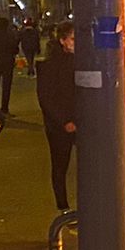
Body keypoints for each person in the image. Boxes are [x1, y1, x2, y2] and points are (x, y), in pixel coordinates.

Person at [40, 20, 78, 210]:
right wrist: (64, 121)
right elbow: (46, 99)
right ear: (63, 40)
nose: (76, 42)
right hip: (59, 126)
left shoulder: (81, 61)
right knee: (60, 165)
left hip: (80, 122)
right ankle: (62, 206)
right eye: (72, 38)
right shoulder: (50, 65)